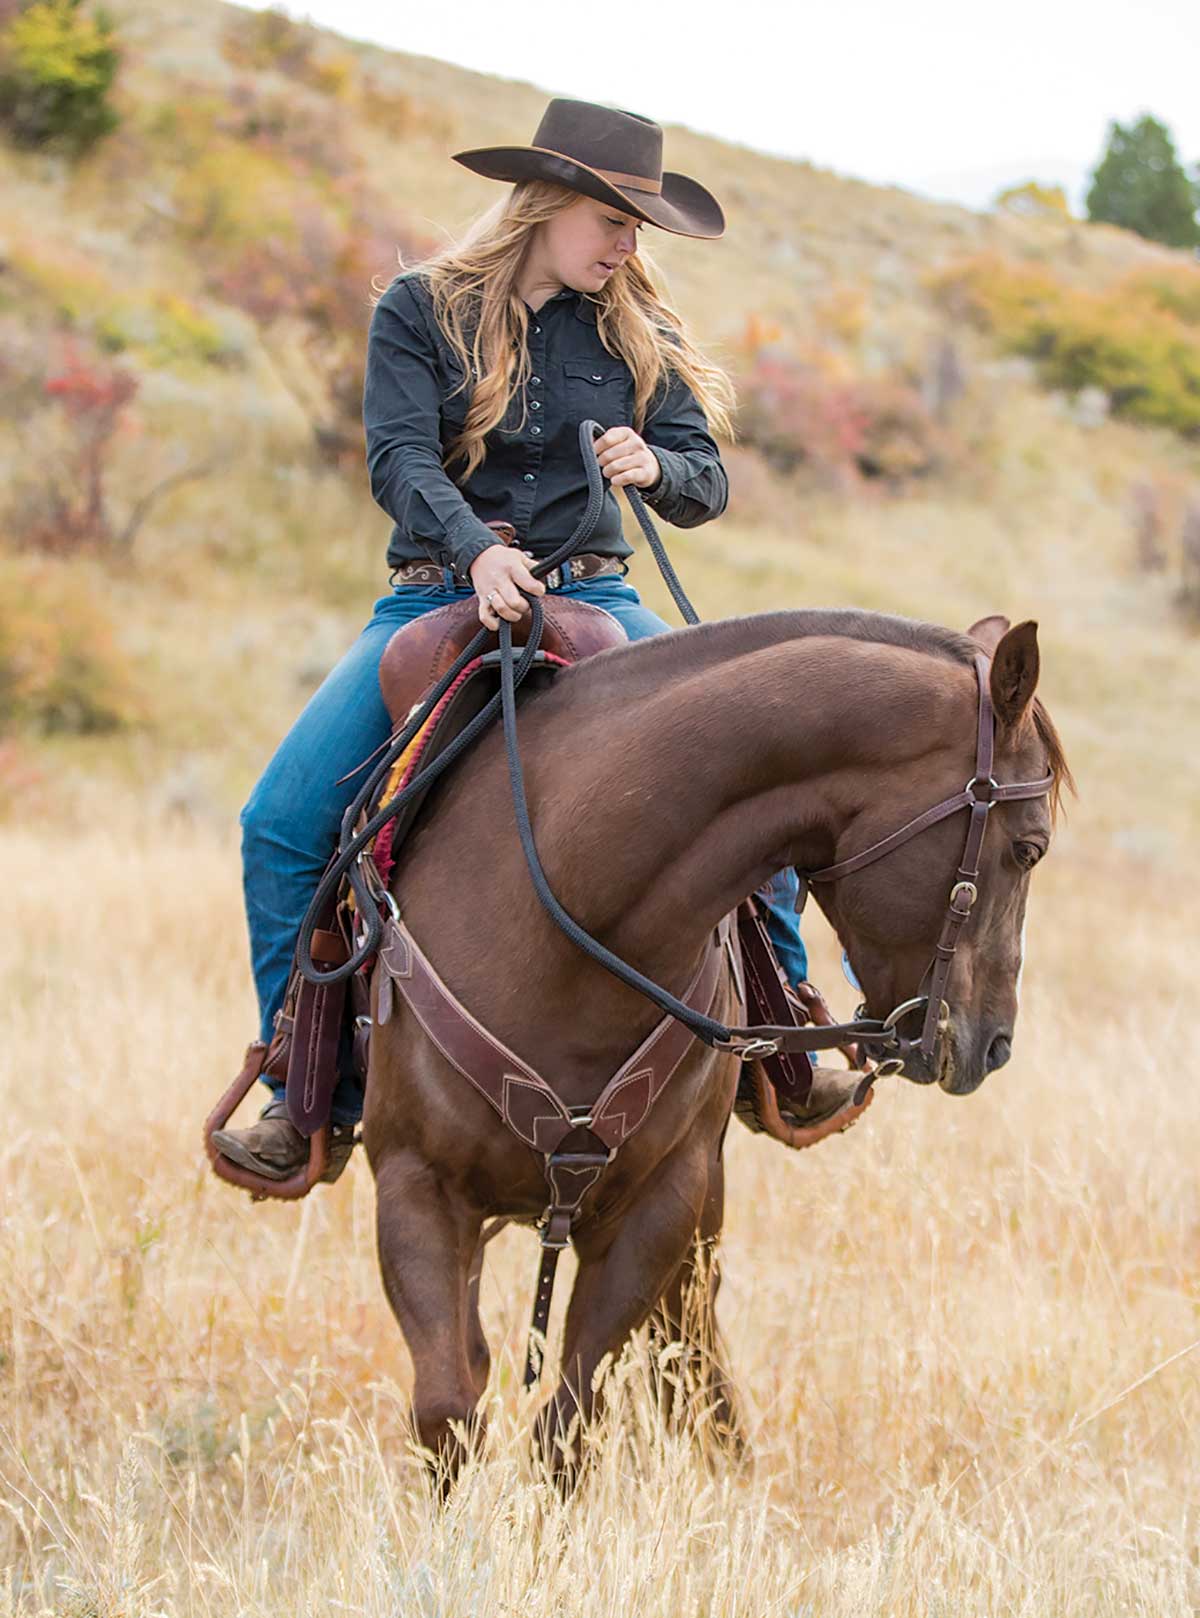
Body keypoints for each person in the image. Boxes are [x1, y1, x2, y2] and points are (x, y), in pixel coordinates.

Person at [212, 97, 812, 1184]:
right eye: (616, 221)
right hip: (435, 596)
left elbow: (705, 484)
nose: (630, 246)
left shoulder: (643, 332)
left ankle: (781, 1048)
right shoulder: (420, 309)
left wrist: (659, 469)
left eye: (638, 228)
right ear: (550, 203)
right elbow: (400, 458)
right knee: (281, 821)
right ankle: (307, 1093)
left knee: (743, 789)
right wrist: (474, 552)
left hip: (598, 598)